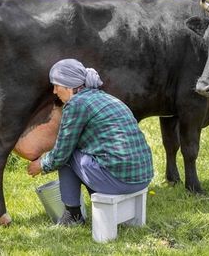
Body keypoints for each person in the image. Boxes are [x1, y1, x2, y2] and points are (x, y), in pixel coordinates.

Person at [27, 59, 154, 226]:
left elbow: (61, 154)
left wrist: (41, 165)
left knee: (67, 156)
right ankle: (86, 205)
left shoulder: (76, 104)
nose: (54, 91)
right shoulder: (106, 98)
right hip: (142, 176)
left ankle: (73, 216)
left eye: (56, 85)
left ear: (68, 85)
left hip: (121, 181)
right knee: (80, 154)